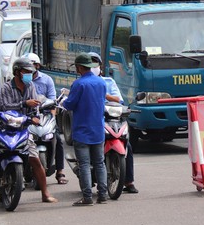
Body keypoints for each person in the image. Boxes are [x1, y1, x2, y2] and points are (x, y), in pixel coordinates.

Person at [0, 57, 57, 203]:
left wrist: (35, 116)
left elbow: (35, 107)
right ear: (17, 72)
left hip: (22, 130)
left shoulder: (31, 87)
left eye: (30, 72)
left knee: (35, 159)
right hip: (3, 128)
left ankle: (45, 193)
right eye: (26, 71)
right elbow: (4, 106)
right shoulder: (6, 87)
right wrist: (24, 103)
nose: (29, 74)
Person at [62, 52, 108, 206]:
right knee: (100, 163)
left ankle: (87, 197)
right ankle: (103, 195)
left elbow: (70, 104)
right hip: (98, 130)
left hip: (82, 131)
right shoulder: (101, 83)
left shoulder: (79, 84)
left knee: (84, 165)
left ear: (80, 67)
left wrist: (64, 101)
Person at [89, 52, 138, 194]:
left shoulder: (108, 82)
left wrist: (103, 94)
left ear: (100, 67)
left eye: (95, 64)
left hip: (112, 119)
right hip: (94, 122)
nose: (93, 67)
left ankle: (129, 181)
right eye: (89, 64)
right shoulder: (83, 83)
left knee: (127, 145)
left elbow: (118, 100)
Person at [23, 52, 68, 185]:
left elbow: (53, 101)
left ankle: (60, 171)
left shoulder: (47, 80)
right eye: (26, 68)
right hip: (27, 115)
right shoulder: (23, 81)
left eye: (33, 66)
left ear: (38, 66)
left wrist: (53, 118)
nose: (30, 70)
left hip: (46, 115)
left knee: (58, 139)